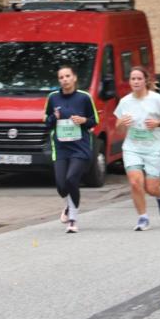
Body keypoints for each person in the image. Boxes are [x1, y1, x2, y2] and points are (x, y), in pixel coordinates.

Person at [115, 66, 160, 231]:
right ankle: (143, 218)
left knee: (151, 188)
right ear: (129, 82)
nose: (135, 81)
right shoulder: (125, 101)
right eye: (133, 79)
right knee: (135, 183)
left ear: (145, 81)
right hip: (132, 147)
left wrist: (158, 123)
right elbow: (118, 128)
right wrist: (122, 123)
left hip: (154, 148)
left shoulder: (156, 99)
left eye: (139, 78)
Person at [44, 65, 99, 233]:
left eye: (67, 76)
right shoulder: (53, 97)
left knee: (71, 179)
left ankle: (73, 219)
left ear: (74, 78)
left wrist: (83, 120)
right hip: (60, 147)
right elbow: (47, 121)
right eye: (61, 77)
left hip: (79, 147)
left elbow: (94, 120)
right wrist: (55, 117)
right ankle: (68, 205)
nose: (64, 80)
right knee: (61, 185)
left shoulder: (84, 98)